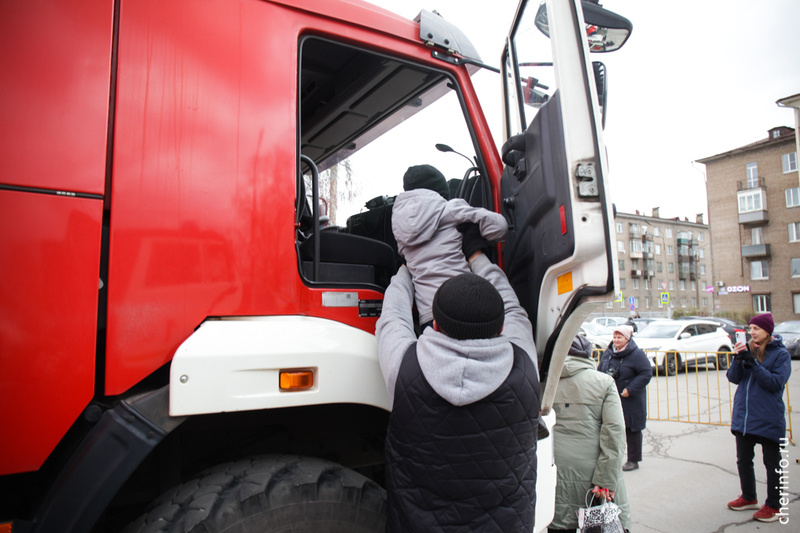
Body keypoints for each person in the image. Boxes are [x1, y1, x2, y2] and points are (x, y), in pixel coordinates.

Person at [376, 248, 539, 532]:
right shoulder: (525, 367)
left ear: (435, 323)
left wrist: (407, 267)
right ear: (502, 329)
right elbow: (515, 310)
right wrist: (479, 258)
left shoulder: (405, 369)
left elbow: (394, 315)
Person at [391, 164, 508, 328]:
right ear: (441, 191)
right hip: (465, 304)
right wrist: (476, 233)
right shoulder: (450, 208)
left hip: (429, 319)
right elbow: (500, 227)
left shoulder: (399, 228)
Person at [548, 335, 631, 533]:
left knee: (558, 525)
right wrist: (605, 479)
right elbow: (614, 433)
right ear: (588, 355)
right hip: (595, 476)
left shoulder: (543, 383)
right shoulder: (604, 383)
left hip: (554, 469)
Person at [726, 313, 792, 523]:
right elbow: (733, 378)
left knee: (772, 463)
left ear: (768, 332)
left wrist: (753, 364)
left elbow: (774, 383)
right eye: (750, 328)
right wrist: (738, 359)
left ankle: (774, 505)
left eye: (756, 329)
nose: (751, 332)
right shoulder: (748, 350)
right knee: (743, 460)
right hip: (744, 416)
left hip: (767, 417)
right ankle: (748, 497)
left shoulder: (781, 355)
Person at [597, 325, 651, 472]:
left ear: (627, 339)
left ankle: (633, 460)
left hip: (630, 399)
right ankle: (610, 459)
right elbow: (600, 370)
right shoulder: (608, 353)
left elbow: (646, 373)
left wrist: (630, 389)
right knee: (611, 428)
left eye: (619, 337)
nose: (616, 340)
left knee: (632, 429)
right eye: (614, 337)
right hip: (610, 397)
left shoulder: (637, 354)